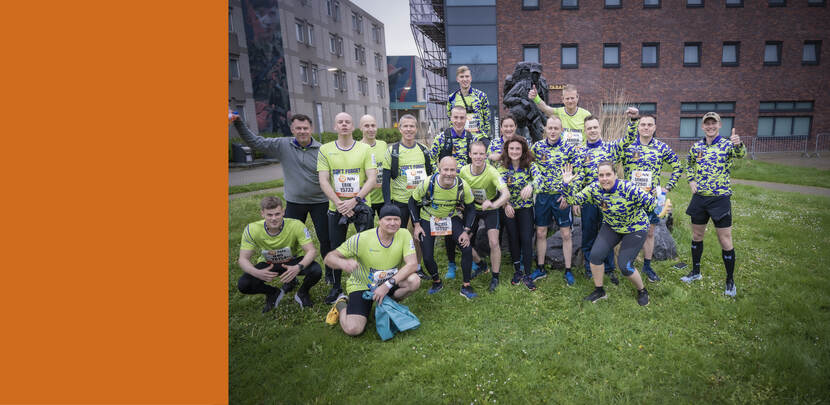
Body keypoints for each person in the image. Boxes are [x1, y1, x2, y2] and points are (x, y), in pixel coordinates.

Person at [230, 111, 333, 291]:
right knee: (287, 242)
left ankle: (330, 274)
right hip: (294, 202)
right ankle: (289, 276)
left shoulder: (323, 150)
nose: (302, 131)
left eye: (305, 128)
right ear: (292, 129)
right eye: (298, 128)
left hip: (320, 202)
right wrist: (238, 123)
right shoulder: (282, 145)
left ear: (311, 129)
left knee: (326, 239)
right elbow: (255, 142)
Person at [562, 161, 656, 306]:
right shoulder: (594, 188)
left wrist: (662, 206)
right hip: (612, 226)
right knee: (595, 256)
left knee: (625, 266)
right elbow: (572, 200)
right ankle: (599, 291)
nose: (604, 178)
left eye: (608, 174)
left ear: (615, 175)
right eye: (601, 175)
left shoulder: (628, 188)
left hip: (635, 228)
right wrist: (566, 184)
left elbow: (652, 205)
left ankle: (642, 290)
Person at [323, 204, 421, 336]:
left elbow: (412, 264)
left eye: (396, 219)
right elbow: (329, 258)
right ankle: (341, 304)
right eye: (388, 219)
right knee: (353, 329)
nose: (393, 223)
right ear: (379, 221)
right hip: (362, 286)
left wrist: (387, 285)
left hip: (388, 282)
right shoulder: (362, 239)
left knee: (414, 280)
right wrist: (343, 263)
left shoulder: (403, 234)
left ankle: (386, 305)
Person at [569, 112, 641, 284]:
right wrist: (576, 199)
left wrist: (633, 121)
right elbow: (578, 176)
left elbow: (629, 139)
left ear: (599, 128)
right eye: (589, 128)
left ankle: (609, 269)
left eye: (595, 127)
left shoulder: (611, 147)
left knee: (608, 235)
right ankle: (590, 268)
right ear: (585, 131)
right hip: (589, 200)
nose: (592, 130)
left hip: (610, 200)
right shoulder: (580, 152)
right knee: (588, 234)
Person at [683, 112, 745, 297]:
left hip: (720, 198)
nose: (710, 126)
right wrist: (691, 180)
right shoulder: (697, 146)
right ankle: (696, 272)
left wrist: (738, 144)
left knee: (725, 240)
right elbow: (688, 163)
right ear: (703, 126)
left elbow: (741, 155)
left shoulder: (727, 145)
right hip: (700, 198)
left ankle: (730, 281)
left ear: (719, 125)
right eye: (707, 123)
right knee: (697, 235)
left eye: (713, 123)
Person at [317, 112, 377, 304]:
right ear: (335, 126)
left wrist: (355, 200)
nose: (344, 125)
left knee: (366, 247)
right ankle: (336, 287)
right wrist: (339, 203)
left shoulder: (365, 149)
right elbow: (323, 180)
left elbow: (372, 178)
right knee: (335, 247)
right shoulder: (325, 149)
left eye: (347, 122)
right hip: (337, 207)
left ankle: (368, 282)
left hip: (360, 206)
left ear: (353, 126)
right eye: (340, 122)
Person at [619, 111, 682, 282]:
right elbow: (610, 161)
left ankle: (647, 265)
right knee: (628, 231)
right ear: (638, 127)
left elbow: (678, 166)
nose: (646, 127)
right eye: (643, 124)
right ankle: (627, 264)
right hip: (630, 199)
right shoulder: (628, 146)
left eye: (649, 125)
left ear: (654, 128)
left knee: (650, 232)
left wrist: (667, 187)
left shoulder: (661, 147)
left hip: (652, 199)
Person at [236, 196, 322, 312]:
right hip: (268, 264)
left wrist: (298, 267)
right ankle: (273, 293)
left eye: (277, 214)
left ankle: (302, 293)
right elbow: (243, 259)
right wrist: (256, 272)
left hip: (292, 261)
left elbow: (311, 251)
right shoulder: (252, 229)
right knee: (244, 284)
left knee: (316, 270)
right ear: (262, 214)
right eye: (269, 215)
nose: (274, 218)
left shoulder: (296, 225)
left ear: (283, 212)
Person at [409, 156, 479, 299]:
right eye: (445, 169)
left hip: (450, 217)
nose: (449, 173)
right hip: (428, 218)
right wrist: (416, 225)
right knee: (427, 256)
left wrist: (466, 231)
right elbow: (412, 202)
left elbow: (471, 208)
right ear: (439, 170)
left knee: (466, 248)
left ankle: (466, 285)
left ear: (456, 171)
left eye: (452, 170)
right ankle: (436, 281)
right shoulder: (428, 183)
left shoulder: (462, 185)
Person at [430, 105, 483, 279]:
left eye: (462, 117)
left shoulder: (472, 138)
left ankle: (471, 258)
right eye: (456, 117)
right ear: (451, 118)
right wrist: (440, 177)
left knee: (469, 224)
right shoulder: (442, 138)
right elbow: (431, 158)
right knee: (448, 227)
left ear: (466, 119)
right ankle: (451, 264)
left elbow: (480, 159)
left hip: (467, 190)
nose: (459, 121)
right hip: (447, 190)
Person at [529, 116, 582, 285]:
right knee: (540, 232)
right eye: (550, 128)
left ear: (561, 130)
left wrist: (568, 194)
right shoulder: (537, 147)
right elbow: (530, 165)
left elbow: (578, 174)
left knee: (566, 234)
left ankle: (568, 270)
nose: (552, 131)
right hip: (543, 197)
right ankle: (540, 268)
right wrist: (536, 179)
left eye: (556, 128)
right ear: (545, 129)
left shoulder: (569, 149)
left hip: (561, 197)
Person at [382, 114, 432, 278]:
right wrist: (387, 205)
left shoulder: (423, 150)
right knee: (397, 236)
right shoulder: (393, 151)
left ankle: (417, 267)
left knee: (418, 235)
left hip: (419, 202)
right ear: (400, 128)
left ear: (416, 129)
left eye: (412, 126)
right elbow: (385, 181)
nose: (409, 129)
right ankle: (394, 269)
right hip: (400, 202)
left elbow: (430, 176)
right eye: (406, 126)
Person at [459, 141, 510, 292]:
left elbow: (506, 194)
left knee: (494, 242)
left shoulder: (492, 172)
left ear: (486, 155)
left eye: (481, 154)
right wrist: (459, 204)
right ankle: (481, 265)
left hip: (490, 207)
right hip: (472, 209)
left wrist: (494, 204)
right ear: (470, 155)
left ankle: (495, 277)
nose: (478, 157)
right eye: (475, 153)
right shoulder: (463, 171)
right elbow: (457, 189)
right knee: (463, 241)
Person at [498, 136, 540, 291]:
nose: (514, 151)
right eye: (511, 148)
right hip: (509, 208)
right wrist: (505, 204)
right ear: (507, 150)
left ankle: (528, 273)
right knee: (513, 238)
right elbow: (498, 188)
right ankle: (517, 271)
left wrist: (531, 185)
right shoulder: (502, 168)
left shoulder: (530, 165)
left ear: (523, 150)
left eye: (518, 148)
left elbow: (539, 179)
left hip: (525, 208)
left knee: (526, 239)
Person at [447, 66, 491, 140]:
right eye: (462, 77)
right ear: (457, 79)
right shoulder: (452, 98)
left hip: (479, 138)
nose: (465, 79)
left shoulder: (481, 96)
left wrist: (485, 136)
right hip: (461, 139)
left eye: (467, 76)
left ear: (471, 78)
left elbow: (487, 118)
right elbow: (450, 119)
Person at [359, 114, 387, 217]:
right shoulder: (357, 148)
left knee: (387, 225)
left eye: (373, 125)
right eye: (366, 126)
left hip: (384, 197)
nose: (371, 129)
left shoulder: (383, 144)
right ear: (361, 128)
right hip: (366, 199)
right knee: (367, 227)